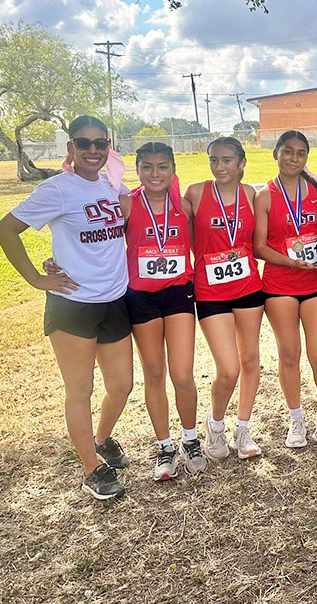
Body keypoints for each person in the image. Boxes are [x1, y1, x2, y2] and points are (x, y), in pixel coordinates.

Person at [0, 115, 132, 499]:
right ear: (70, 148)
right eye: (84, 143)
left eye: (100, 143)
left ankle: (103, 438)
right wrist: (36, 278)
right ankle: (92, 469)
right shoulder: (57, 189)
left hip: (114, 299)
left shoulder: (111, 185)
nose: (93, 150)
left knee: (122, 385)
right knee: (81, 390)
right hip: (73, 305)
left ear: (109, 147)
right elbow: (7, 229)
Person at [124, 142, 207, 480]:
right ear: (138, 169)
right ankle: (165, 447)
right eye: (147, 167)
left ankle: (190, 439)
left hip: (177, 293)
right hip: (140, 296)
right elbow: (99, 242)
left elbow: (195, 244)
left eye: (162, 167)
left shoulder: (184, 206)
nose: (154, 174)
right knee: (154, 373)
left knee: (183, 373)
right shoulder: (126, 204)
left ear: (173, 169)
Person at [253, 130, 317, 449]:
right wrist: (291, 263)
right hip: (279, 284)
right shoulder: (265, 195)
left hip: (316, 283)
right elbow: (259, 247)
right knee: (289, 355)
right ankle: (296, 419)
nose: (294, 158)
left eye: (301, 153)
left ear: (306, 158)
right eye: (288, 151)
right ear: (275, 153)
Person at [186, 137, 264, 461]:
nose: (220, 167)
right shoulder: (195, 193)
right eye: (214, 160)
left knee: (250, 361)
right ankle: (215, 425)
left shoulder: (250, 195)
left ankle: (243, 427)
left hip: (248, 286)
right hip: (210, 289)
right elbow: (167, 222)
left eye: (227, 160)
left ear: (241, 163)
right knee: (229, 368)